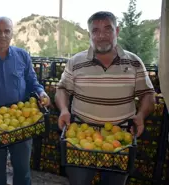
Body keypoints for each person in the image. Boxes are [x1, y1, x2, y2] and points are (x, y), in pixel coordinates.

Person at [55, 11, 155, 185]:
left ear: (117, 31)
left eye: (107, 29)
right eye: (95, 31)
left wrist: (141, 116)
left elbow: (148, 93)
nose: (101, 36)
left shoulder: (134, 62)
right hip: (80, 139)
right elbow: (62, 89)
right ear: (89, 35)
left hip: (120, 140)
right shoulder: (75, 62)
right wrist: (64, 109)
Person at [0, 16, 51, 185]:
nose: (2, 35)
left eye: (7, 31)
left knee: (23, 171)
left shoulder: (22, 56)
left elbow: (33, 83)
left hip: (22, 123)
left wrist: (42, 93)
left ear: (12, 34)